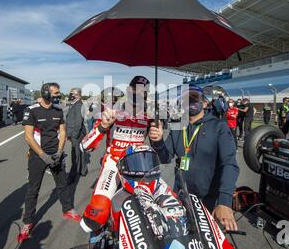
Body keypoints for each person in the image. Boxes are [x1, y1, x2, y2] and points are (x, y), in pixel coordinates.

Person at [149, 85, 239, 231]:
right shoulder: (178, 126)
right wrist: (158, 141)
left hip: (209, 200)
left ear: (204, 103)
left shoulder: (219, 127)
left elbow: (229, 164)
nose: (189, 103)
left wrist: (224, 201)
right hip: (181, 197)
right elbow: (165, 158)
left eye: (194, 99)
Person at [79, 75, 152, 234]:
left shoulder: (150, 116)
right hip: (113, 165)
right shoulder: (112, 112)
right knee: (97, 213)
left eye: (144, 91)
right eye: (136, 89)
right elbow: (84, 146)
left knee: (149, 215)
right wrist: (103, 127)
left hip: (138, 167)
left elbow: (159, 152)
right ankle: (98, 241)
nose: (139, 93)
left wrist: (158, 139)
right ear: (129, 90)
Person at [18, 82, 79, 244]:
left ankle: (68, 209)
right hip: (38, 156)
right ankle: (28, 222)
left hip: (56, 154)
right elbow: (28, 136)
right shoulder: (31, 110)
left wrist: (59, 151)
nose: (58, 95)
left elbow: (63, 131)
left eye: (58, 93)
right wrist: (43, 155)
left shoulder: (58, 110)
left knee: (62, 184)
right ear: (46, 93)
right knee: (33, 189)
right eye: (55, 93)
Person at [65, 88, 87, 209]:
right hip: (76, 133)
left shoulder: (78, 105)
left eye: (72, 94)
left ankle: (72, 176)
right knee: (81, 153)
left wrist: (73, 135)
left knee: (75, 155)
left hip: (76, 134)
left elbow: (79, 122)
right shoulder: (75, 104)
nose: (70, 95)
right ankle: (83, 170)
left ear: (77, 95)